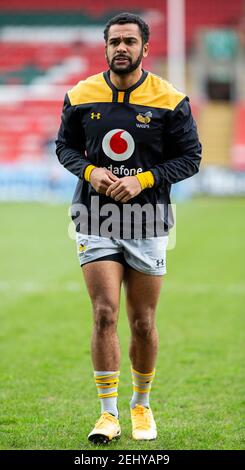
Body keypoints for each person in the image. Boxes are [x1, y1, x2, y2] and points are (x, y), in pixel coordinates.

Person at [55, 12, 202, 444]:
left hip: (148, 218)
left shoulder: (170, 99)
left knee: (142, 322)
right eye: (115, 41)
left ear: (145, 48)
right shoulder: (81, 94)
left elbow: (191, 157)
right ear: (105, 47)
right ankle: (107, 414)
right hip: (95, 217)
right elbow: (63, 146)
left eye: (129, 41)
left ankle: (141, 404)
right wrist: (89, 171)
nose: (122, 47)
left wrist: (144, 179)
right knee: (103, 313)